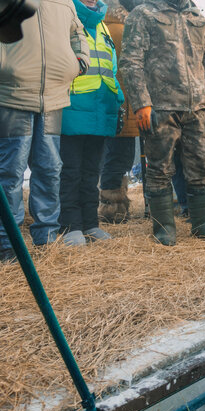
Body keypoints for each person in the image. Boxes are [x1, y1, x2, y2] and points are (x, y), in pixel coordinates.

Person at [120, 0, 205, 246]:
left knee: (200, 166)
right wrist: (142, 103)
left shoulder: (197, 17)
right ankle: (164, 229)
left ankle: (203, 225)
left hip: (196, 107)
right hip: (161, 107)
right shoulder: (144, 14)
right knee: (159, 169)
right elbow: (130, 62)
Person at [0, 0, 89, 262]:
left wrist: (79, 60)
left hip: (54, 96)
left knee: (50, 168)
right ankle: (8, 244)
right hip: (12, 95)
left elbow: (78, 31)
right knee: (10, 172)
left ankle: (47, 238)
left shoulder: (66, 1)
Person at [58, 0, 125, 246]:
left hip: (101, 107)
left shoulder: (103, 26)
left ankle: (90, 224)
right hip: (73, 106)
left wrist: (119, 100)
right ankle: (70, 225)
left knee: (91, 172)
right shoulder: (68, 18)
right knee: (71, 171)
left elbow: (111, 68)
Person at [97, 0, 142, 225]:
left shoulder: (107, 23)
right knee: (119, 157)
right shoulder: (124, 28)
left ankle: (114, 206)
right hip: (126, 103)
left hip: (114, 102)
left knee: (113, 156)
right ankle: (112, 208)